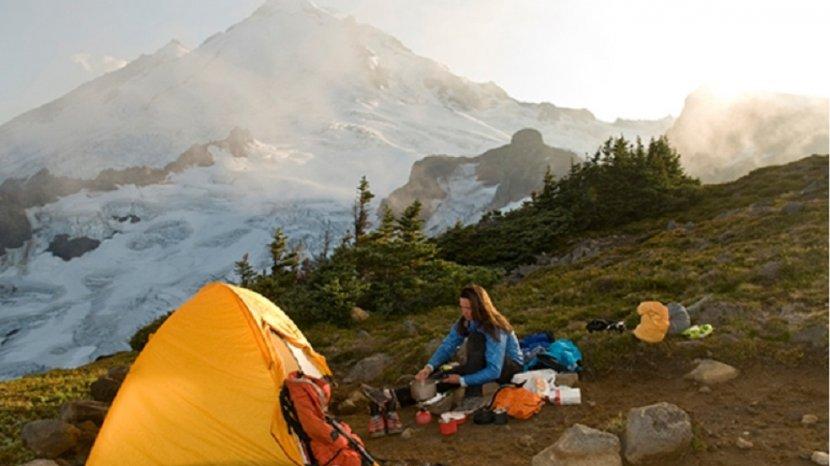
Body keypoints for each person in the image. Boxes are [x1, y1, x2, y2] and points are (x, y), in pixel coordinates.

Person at [363, 284, 523, 437]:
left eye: (469, 308)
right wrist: (429, 367)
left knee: (475, 340)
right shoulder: (466, 322)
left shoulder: (494, 326)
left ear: (480, 306)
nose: (465, 312)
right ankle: (393, 397)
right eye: (462, 307)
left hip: (508, 367)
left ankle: (472, 397)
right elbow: (448, 346)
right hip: (482, 363)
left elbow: (494, 370)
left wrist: (462, 380)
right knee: (444, 376)